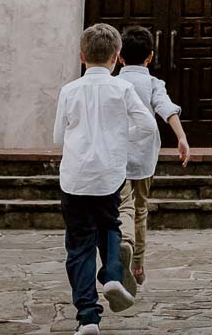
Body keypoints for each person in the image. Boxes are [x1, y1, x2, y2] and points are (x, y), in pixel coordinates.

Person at [53, 23, 158, 334]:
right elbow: (148, 126)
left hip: (74, 178)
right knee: (110, 225)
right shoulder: (122, 89)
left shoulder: (69, 91)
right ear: (117, 56)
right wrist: (120, 138)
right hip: (109, 175)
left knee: (79, 246)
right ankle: (112, 272)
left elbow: (59, 134)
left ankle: (87, 316)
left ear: (82, 55)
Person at [115, 26, 191, 291]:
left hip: (117, 156)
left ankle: (124, 242)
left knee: (121, 206)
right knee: (140, 209)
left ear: (119, 57)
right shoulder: (153, 84)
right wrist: (181, 138)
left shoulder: (115, 84)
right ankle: (137, 264)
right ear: (150, 57)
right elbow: (166, 109)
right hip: (144, 158)